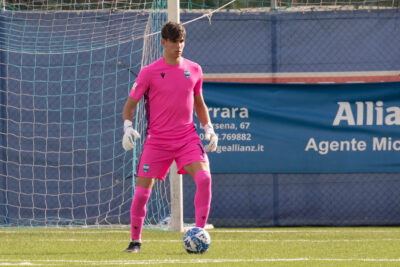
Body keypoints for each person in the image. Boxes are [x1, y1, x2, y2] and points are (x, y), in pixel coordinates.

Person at [121, 21, 218, 253]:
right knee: (142, 193)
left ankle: (198, 234)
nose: (179, 46)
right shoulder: (149, 72)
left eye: (182, 41)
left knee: (204, 179)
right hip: (157, 141)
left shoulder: (194, 69)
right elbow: (130, 105)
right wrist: (127, 126)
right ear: (163, 42)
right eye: (174, 41)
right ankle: (135, 242)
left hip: (187, 138)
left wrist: (209, 128)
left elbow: (199, 103)